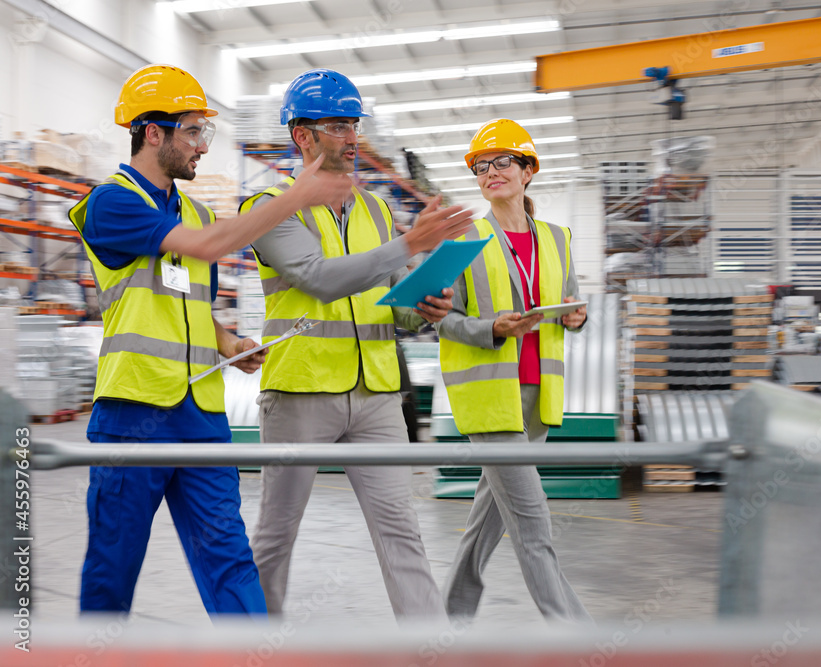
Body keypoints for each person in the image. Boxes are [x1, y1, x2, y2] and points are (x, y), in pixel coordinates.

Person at [68, 64, 351, 616]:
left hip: (200, 411)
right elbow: (205, 247)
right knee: (112, 566)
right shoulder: (111, 202)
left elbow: (185, 301)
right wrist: (295, 196)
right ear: (154, 132)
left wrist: (228, 343)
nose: (202, 146)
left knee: (229, 558)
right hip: (134, 411)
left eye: (206, 133)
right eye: (194, 131)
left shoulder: (193, 209)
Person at [241, 68, 473, 621]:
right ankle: (251, 646)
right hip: (302, 391)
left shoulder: (374, 209)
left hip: (376, 393)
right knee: (276, 537)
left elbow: (389, 300)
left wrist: (423, 309)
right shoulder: (270, 206)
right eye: (339, 125)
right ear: (303, 136)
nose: (351, 137)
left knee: (402, 532)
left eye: (354, 124)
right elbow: (319, 278)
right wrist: (410, 244)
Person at [436, 118, 591, 623]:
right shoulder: (464, 239)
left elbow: (569, 308)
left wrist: (576, 317)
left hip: (537, 396)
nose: (490, 172)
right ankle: (577, 636)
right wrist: (493, 329)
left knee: (488, 519)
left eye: (502, 161)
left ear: (528, 171)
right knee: (532, 524)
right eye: (481, 166)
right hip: (489, 398)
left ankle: (450, 620)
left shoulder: (558, 238)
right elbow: (445, 321)